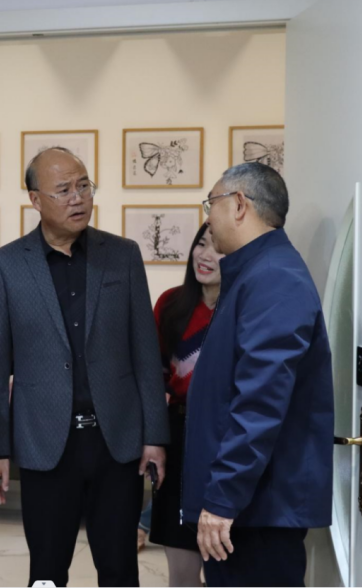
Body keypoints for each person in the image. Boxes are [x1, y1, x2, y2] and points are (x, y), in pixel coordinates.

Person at [0, 147, 170, 587]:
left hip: (116, 441)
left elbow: (145, 352)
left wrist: (155, 436)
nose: (78, 197)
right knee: (47, 572)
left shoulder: (122, 255)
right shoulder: (5, 266)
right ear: (35, 199)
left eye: (84, 186)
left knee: (120, 570)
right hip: (45, 443)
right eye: (63, 189)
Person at [182, 163, 334, 587]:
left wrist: (222, 499)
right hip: (251, 505)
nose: (208, 218)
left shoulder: (273, 277)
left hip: (257, 509)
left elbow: (260, 404)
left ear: (239, 205)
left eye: (211, 204)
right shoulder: (256, 271)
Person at [150, 224, 223, 586]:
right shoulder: (171, 304)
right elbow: (154, 376)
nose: (205, 255)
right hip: (179, 436)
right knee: (181, 571)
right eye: (201, 244)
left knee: (227, 562)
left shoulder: (243, 308)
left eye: (218, 248)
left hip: (226, 440)